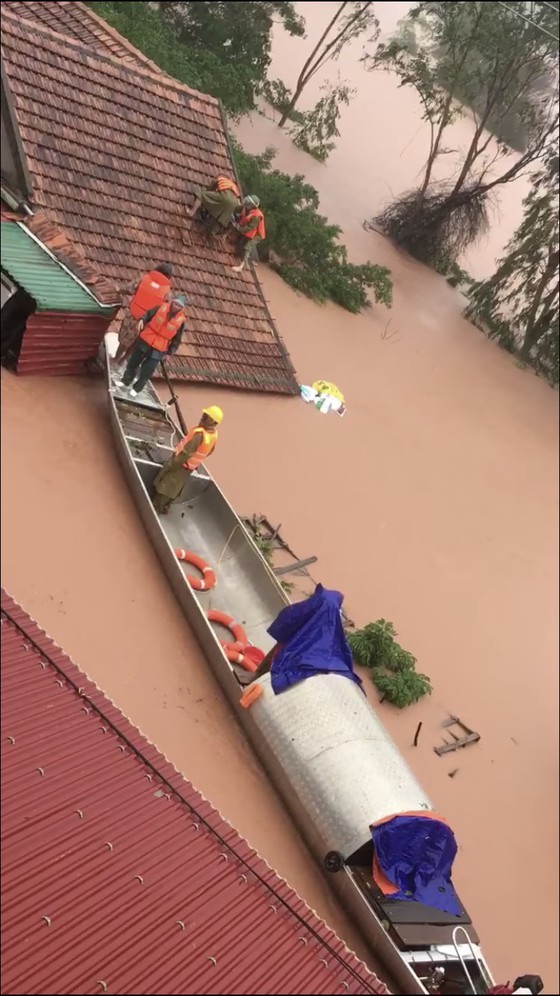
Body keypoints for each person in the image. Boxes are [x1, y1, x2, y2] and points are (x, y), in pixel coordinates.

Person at [152, 405, 223, 515]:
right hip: (189, 467)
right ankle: (165, 507)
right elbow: (209, 451)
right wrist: (195, 461)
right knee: (175, 487)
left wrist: (172, 463)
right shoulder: (213, 435)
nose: (202, 418)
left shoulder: (200, 435)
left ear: (213, 422)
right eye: (204, 415)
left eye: (206, 417)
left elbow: (186, 453)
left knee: (166, 486)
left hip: (180, 464)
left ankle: (156, 508)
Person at [114, 294, 187, 397]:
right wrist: (142, 320)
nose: (176, 306)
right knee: (133, 362)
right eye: (175, 303)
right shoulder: (160, 308)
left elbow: (177, 339)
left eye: (179, 306)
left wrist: (170, 353)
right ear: (172, 302)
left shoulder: (181, 322)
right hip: (146, 339)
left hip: (159, 347)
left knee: (147, 370)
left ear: (182, 308)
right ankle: (125, 381)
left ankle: (136, 389)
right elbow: (147, 315)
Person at [115, 263, 173, 363]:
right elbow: (167, 309)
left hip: (134, 316)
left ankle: (115, 359)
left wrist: (118, 290)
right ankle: (122, 361)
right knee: (136, 344)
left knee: (124, 341)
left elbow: (128, 289)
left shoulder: (144, 279)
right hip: (148, 323)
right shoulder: (167, 291)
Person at [231, 195, 265, 272]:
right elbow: (236, 209)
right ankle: (248, 262)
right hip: (248, 229)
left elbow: (250, 227)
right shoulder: (245, 208)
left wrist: (239, 228)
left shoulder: (256, 216)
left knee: (247, 247)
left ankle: (241, 266)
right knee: (239, 245)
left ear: (252, 206)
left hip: (257, 234)